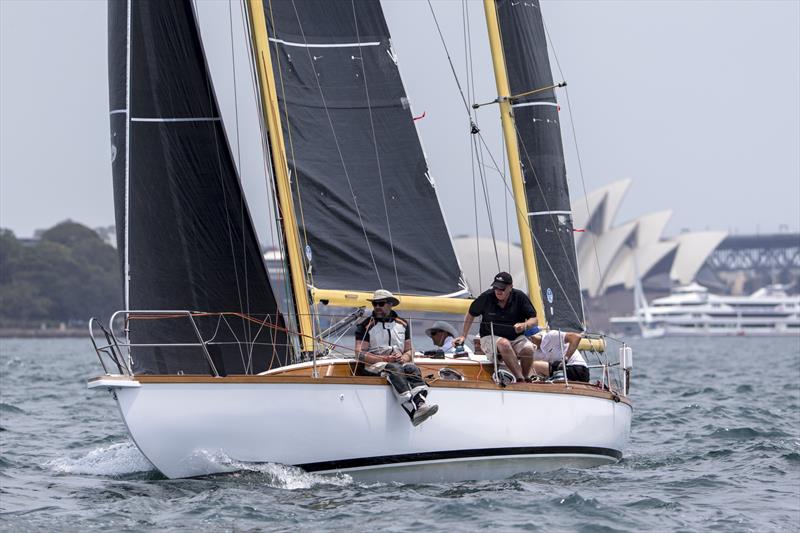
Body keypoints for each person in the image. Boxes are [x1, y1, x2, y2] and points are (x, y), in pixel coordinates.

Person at [354, 289, 439, 426]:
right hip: (374, 366)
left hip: (398, 363)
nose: (377, 307)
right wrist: (383, 359)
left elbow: (410, 350)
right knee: (394, 368)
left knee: (412, 368)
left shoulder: (403, 324)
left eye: (380, 304)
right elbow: (359, 353)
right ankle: (412, 411)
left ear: (390, 304)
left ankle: (421, 405)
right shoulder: (364, 326)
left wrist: (404, 357)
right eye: (374, 304)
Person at [453, 272, 538, 382]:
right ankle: (520, 379)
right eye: (496, 287)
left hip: (515, 337)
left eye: (502, 288)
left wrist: (524, 325)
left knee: (528, 349)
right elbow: (471, 313)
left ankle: (525, 377)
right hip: (490, 336)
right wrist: (463, 336)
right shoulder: (486, 297)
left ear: (510, 287)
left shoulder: (520, 297)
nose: (498, 291)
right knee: (504, 343)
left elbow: (534, 319)